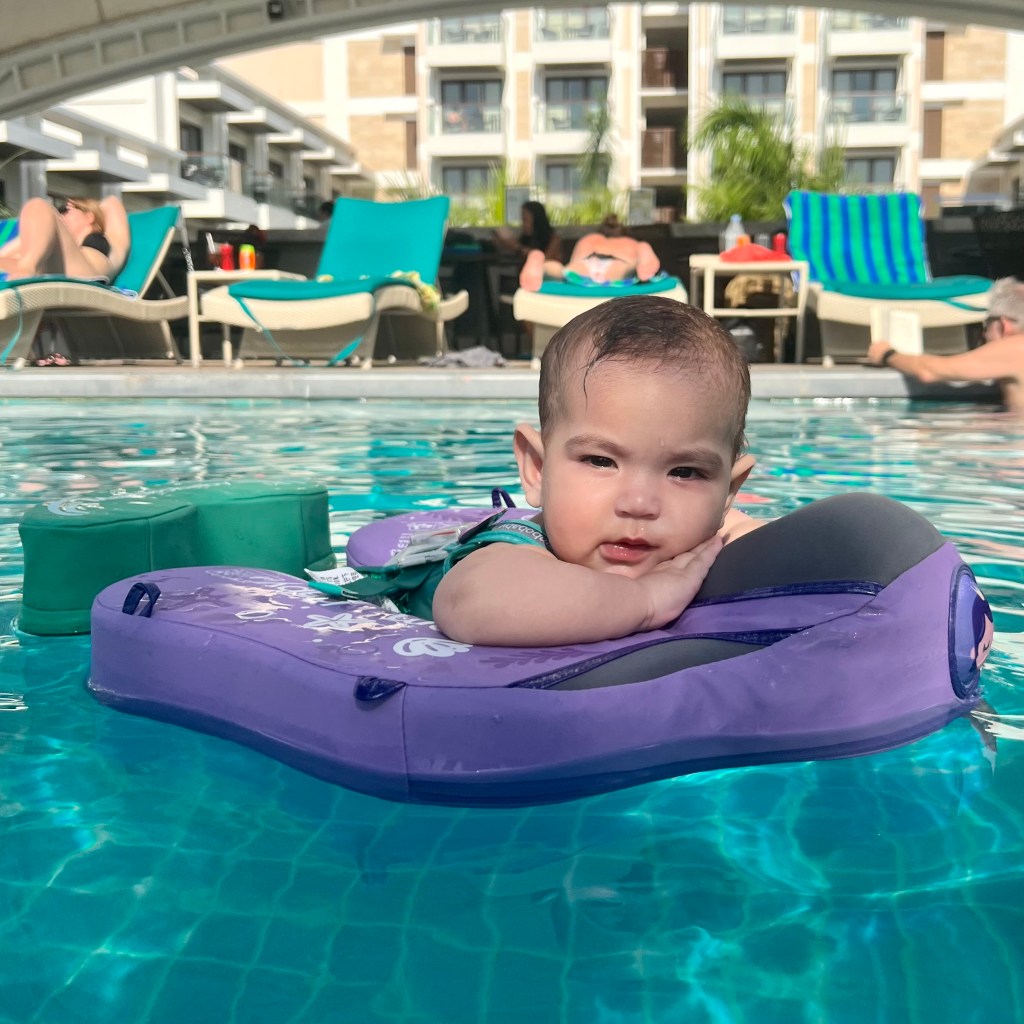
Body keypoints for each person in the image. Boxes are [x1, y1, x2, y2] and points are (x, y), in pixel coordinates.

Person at [431, 296, 760, 646]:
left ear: (728, 491)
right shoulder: (511, 558)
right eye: (601, 461)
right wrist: (646, 600)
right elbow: (471, 606)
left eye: (684, 472)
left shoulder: (710, 532)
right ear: (538, 469)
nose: (638, 503)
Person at [866, 276, 1024, 413]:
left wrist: (887, 354)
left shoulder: (1016, 347)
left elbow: (930, 371)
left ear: (1003, 326)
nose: (984, 334)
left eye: (986, 325)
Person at [0, 195, 129, 282]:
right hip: (52, 270)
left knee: (37, 205)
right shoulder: (43, 248)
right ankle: (26, 270)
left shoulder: (112, 239)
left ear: (89, 217)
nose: (61, 217)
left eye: (66, 211)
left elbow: (112, 202)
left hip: (86, 275)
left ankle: (26, 269)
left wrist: (83, 204)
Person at [519, 228, 661, 291]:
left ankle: (539, 259)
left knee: (561, 272)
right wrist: (639, 247)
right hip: (616, 263)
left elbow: (574, 261)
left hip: (585, 263)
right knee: (629, 270)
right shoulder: (629, 242)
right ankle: (644, 249)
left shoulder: (590, 239)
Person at [494, 200, 562, 262]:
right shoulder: (524, 237)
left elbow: (544, 260)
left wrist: (518, 248)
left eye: (526, 219)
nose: (523, 223)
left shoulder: (553, 239)